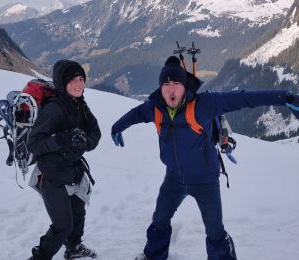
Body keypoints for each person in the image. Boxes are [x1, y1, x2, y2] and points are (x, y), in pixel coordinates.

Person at [111, 56, 299, 260]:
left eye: (176, 83)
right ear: (160, 88)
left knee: (215, 232)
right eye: (166, 84)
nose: (171, 89)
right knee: (159, 221)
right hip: (173, 179)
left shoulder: (204, 105)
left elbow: (243, 99)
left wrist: (285, 97)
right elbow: (135, 114)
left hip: (205, 182)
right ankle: (154, 256)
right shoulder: (155, 108)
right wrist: (117, 127)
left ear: (185, 87)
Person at [27, 60, 101, 260]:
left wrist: (85, 142)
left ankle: (74, 248)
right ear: (62, 83)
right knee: (63, 225)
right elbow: (33, 144)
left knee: (78, 213)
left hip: (72, 170)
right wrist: (61, 139)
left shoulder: (80, 105)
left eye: (81, 79)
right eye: (72, 80)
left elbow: (95, 132)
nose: (78, 84)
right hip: (51, 176)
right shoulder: (54, 110)